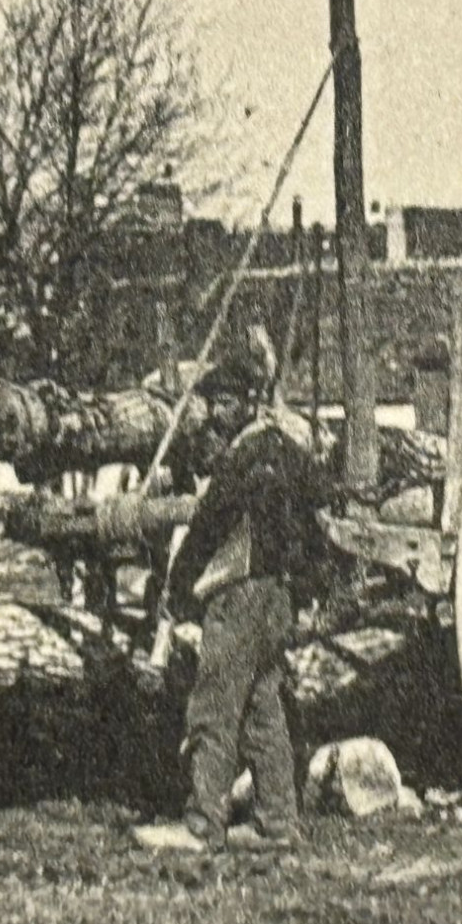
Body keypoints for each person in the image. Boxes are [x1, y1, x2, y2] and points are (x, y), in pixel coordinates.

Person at [134, 350, 340, 853]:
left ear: (247, 405)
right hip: (278, 599)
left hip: (240, 596)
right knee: (261, 708)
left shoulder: (241, 460)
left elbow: (206, 529)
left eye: (222, 403)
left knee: (214, 706)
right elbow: (320, 509)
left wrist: (178, 591)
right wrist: (310, 585)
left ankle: (202, 825)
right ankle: (277, 822)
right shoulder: (290, 451)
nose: (215, 414)